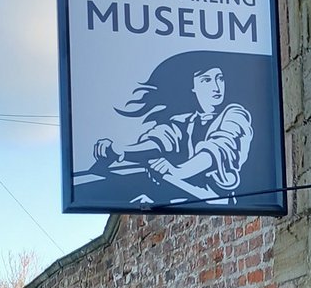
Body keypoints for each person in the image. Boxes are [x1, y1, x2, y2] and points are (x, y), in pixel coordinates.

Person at [89, 52, 254, 206]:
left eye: (220, 78)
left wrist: (178, 171)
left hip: (219, 202)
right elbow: (159, 140)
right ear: (193, 86)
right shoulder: (185, 121)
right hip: (186, 199)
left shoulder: (235, 114)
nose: (217, 87)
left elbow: (218, 149)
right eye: (206, 80)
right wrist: (122, 150)